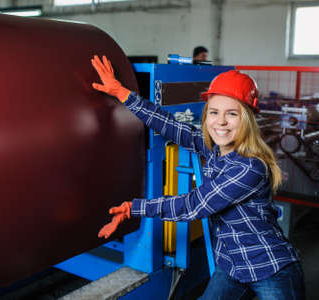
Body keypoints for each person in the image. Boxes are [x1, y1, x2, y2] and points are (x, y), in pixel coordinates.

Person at [91, 55, 305, 300]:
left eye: (232, 114)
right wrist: (122, 93)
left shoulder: (249, 168)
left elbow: (194, 205)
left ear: (247, 120)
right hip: (231, 265)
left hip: (268, 267)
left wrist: (133, 208)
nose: (221, 122)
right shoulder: (214, 149)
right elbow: (172, 126)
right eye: (214, 112)